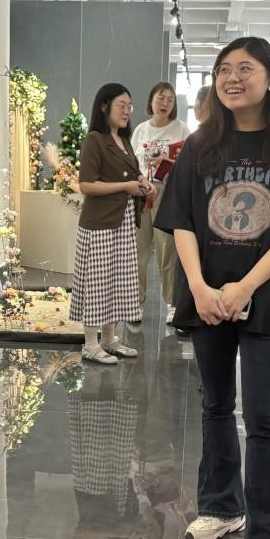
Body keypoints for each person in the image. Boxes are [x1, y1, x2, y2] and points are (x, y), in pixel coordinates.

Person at [155, 36, 270, 539]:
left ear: (269, 77)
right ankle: (221, 506)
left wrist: (245, 285)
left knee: (262, 419)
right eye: (224, 69)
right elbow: (181, 219)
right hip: (206, 297)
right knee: (214, 406)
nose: (232, 78)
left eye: (245, 68)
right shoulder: (200, 144)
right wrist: (200, 287)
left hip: (266, 298)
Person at [70, 84, 152, 364]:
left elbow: (133, 173)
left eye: (130, 105)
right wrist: (126, 187)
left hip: (123, 222)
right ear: (105, 106)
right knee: (98, 283)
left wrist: (142, 181)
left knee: (116, 281)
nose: (127, 111)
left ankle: (109, 339)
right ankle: (90, 344)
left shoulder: (124, 140)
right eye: (121, 105)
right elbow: (86, 185)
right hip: (100, 224)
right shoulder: (95, 140)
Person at [132, 82, 190, 325]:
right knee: (138, 250)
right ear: (151, 101)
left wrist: (169, 161)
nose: (165, 103)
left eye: (170, 99)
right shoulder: (140, 130)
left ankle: (172, 303)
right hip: (140, 192)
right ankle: (135, 302)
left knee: (168, 250)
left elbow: (191, 164)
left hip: (167, 193)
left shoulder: (182, 129)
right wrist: (140, 180)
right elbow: (131, 162)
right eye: (160, 98)